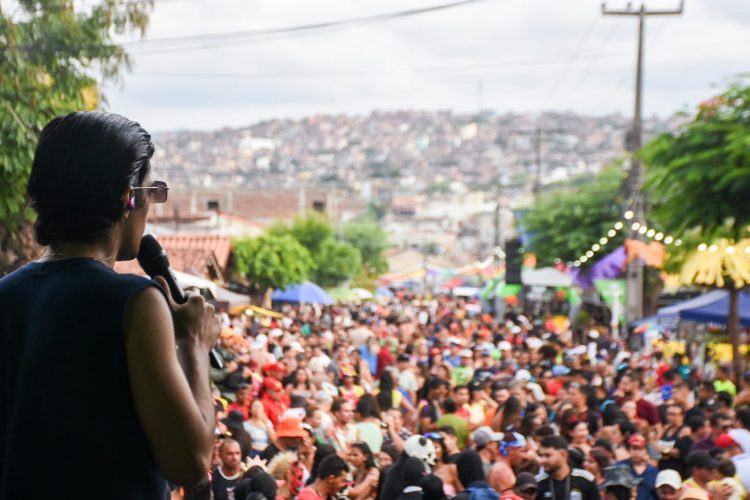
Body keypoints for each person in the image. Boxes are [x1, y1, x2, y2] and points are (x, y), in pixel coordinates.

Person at [0, 112, 219, 498]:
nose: (151, 206)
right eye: (152, 192)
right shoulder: (135, 303)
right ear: (128, 198)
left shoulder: (7, 294)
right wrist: (195, 343)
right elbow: (191, 462)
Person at [536, 435, 600, 500]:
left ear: (563, 454)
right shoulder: (538, 482)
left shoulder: (585, 479)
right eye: (541, 456)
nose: (542, 460)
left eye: (547, 455)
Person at [616, 434, 657, 500]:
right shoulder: (620, 467)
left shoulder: (654, 472)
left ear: (645, 451)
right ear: (629, 450)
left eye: (640, 449)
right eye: (634, 448)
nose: (636, 452)